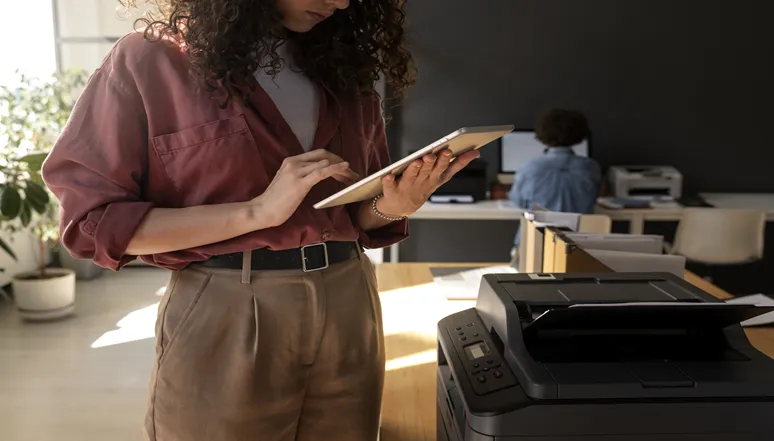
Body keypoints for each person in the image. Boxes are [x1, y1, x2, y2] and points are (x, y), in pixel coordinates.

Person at [41, 1, 480, 440]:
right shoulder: (150, 61)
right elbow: (92, 221)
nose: (343, 2)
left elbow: (352, 214)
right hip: (228, 304)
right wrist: (256, 212)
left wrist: (394, 206)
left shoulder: (343, 69)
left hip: (349, 300)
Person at [508, 109, 601, 265]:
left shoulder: (529, 168)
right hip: (581, 249)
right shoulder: (592, 168)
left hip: (535, 247)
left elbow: (518, 201)